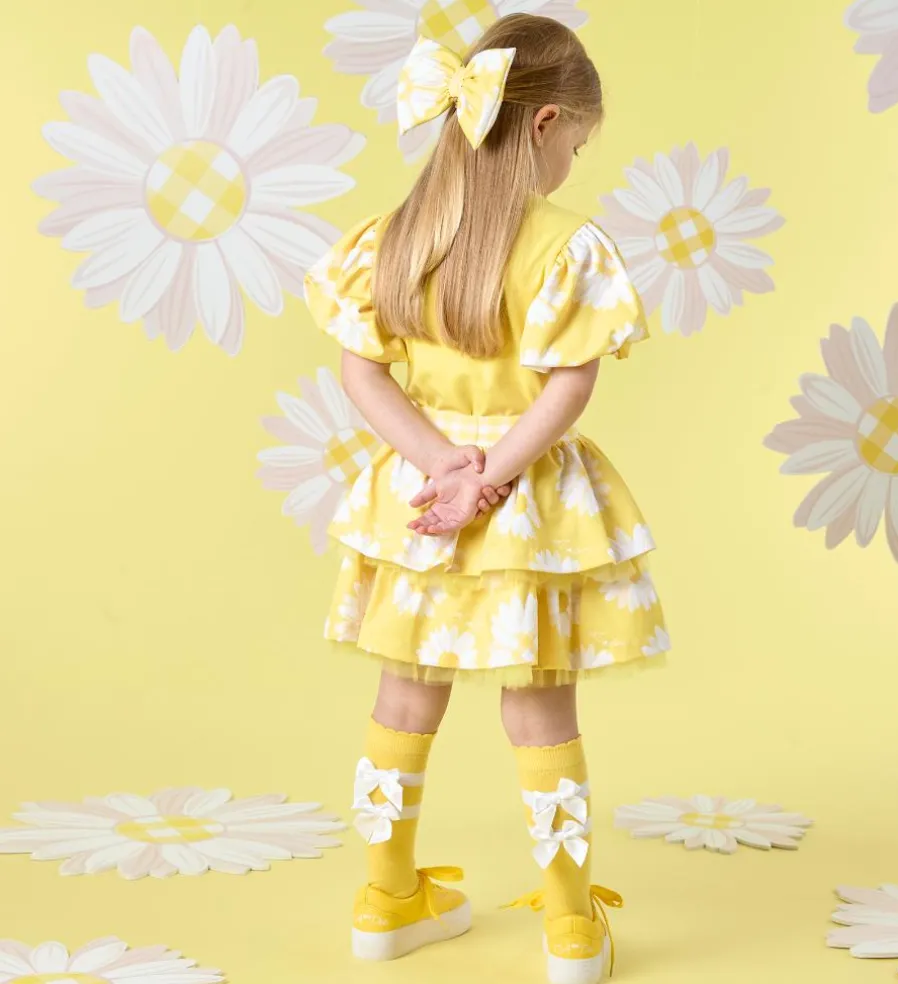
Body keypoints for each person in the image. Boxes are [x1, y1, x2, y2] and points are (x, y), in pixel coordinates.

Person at [304, 14, 669, 984]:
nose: (572, 165)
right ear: (545, 123)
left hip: (420, 498)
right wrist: (492, 475)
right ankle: (570, 926)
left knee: (404, 692)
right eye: (576, 146)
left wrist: (442, 466)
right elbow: (569, 385)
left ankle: (386, 899)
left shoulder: (395, 237)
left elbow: (361, 371)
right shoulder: (566, 245)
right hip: (526, 502)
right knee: (540, 704)